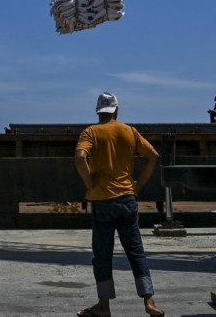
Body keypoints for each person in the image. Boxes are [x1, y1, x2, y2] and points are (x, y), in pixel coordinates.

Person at [74, 92, 165, 317]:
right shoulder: (129, 131)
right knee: (136, 251)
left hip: (102, 201)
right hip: (127, 198)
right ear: (116, 110)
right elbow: (153, 155)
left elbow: (79, 156)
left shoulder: (91, 132)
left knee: (102, 255)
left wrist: (89, 184)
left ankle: (104, 306)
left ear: (98, 111)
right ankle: (149, 301)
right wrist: (138, 185)